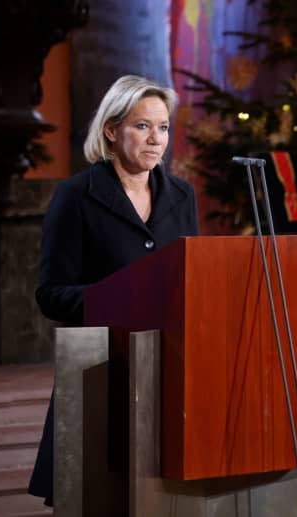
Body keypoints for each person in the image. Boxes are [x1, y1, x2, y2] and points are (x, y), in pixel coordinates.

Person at [28, 75, 199, 506]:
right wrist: (118, 297)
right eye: (142, 126)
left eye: (162, 127)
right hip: (101, 367)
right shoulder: (75, 195)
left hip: (168, 370)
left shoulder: (181, 195)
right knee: (98, 498)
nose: (156, 139)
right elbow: (51, 293)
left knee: (163, 498)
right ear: (111, 130)